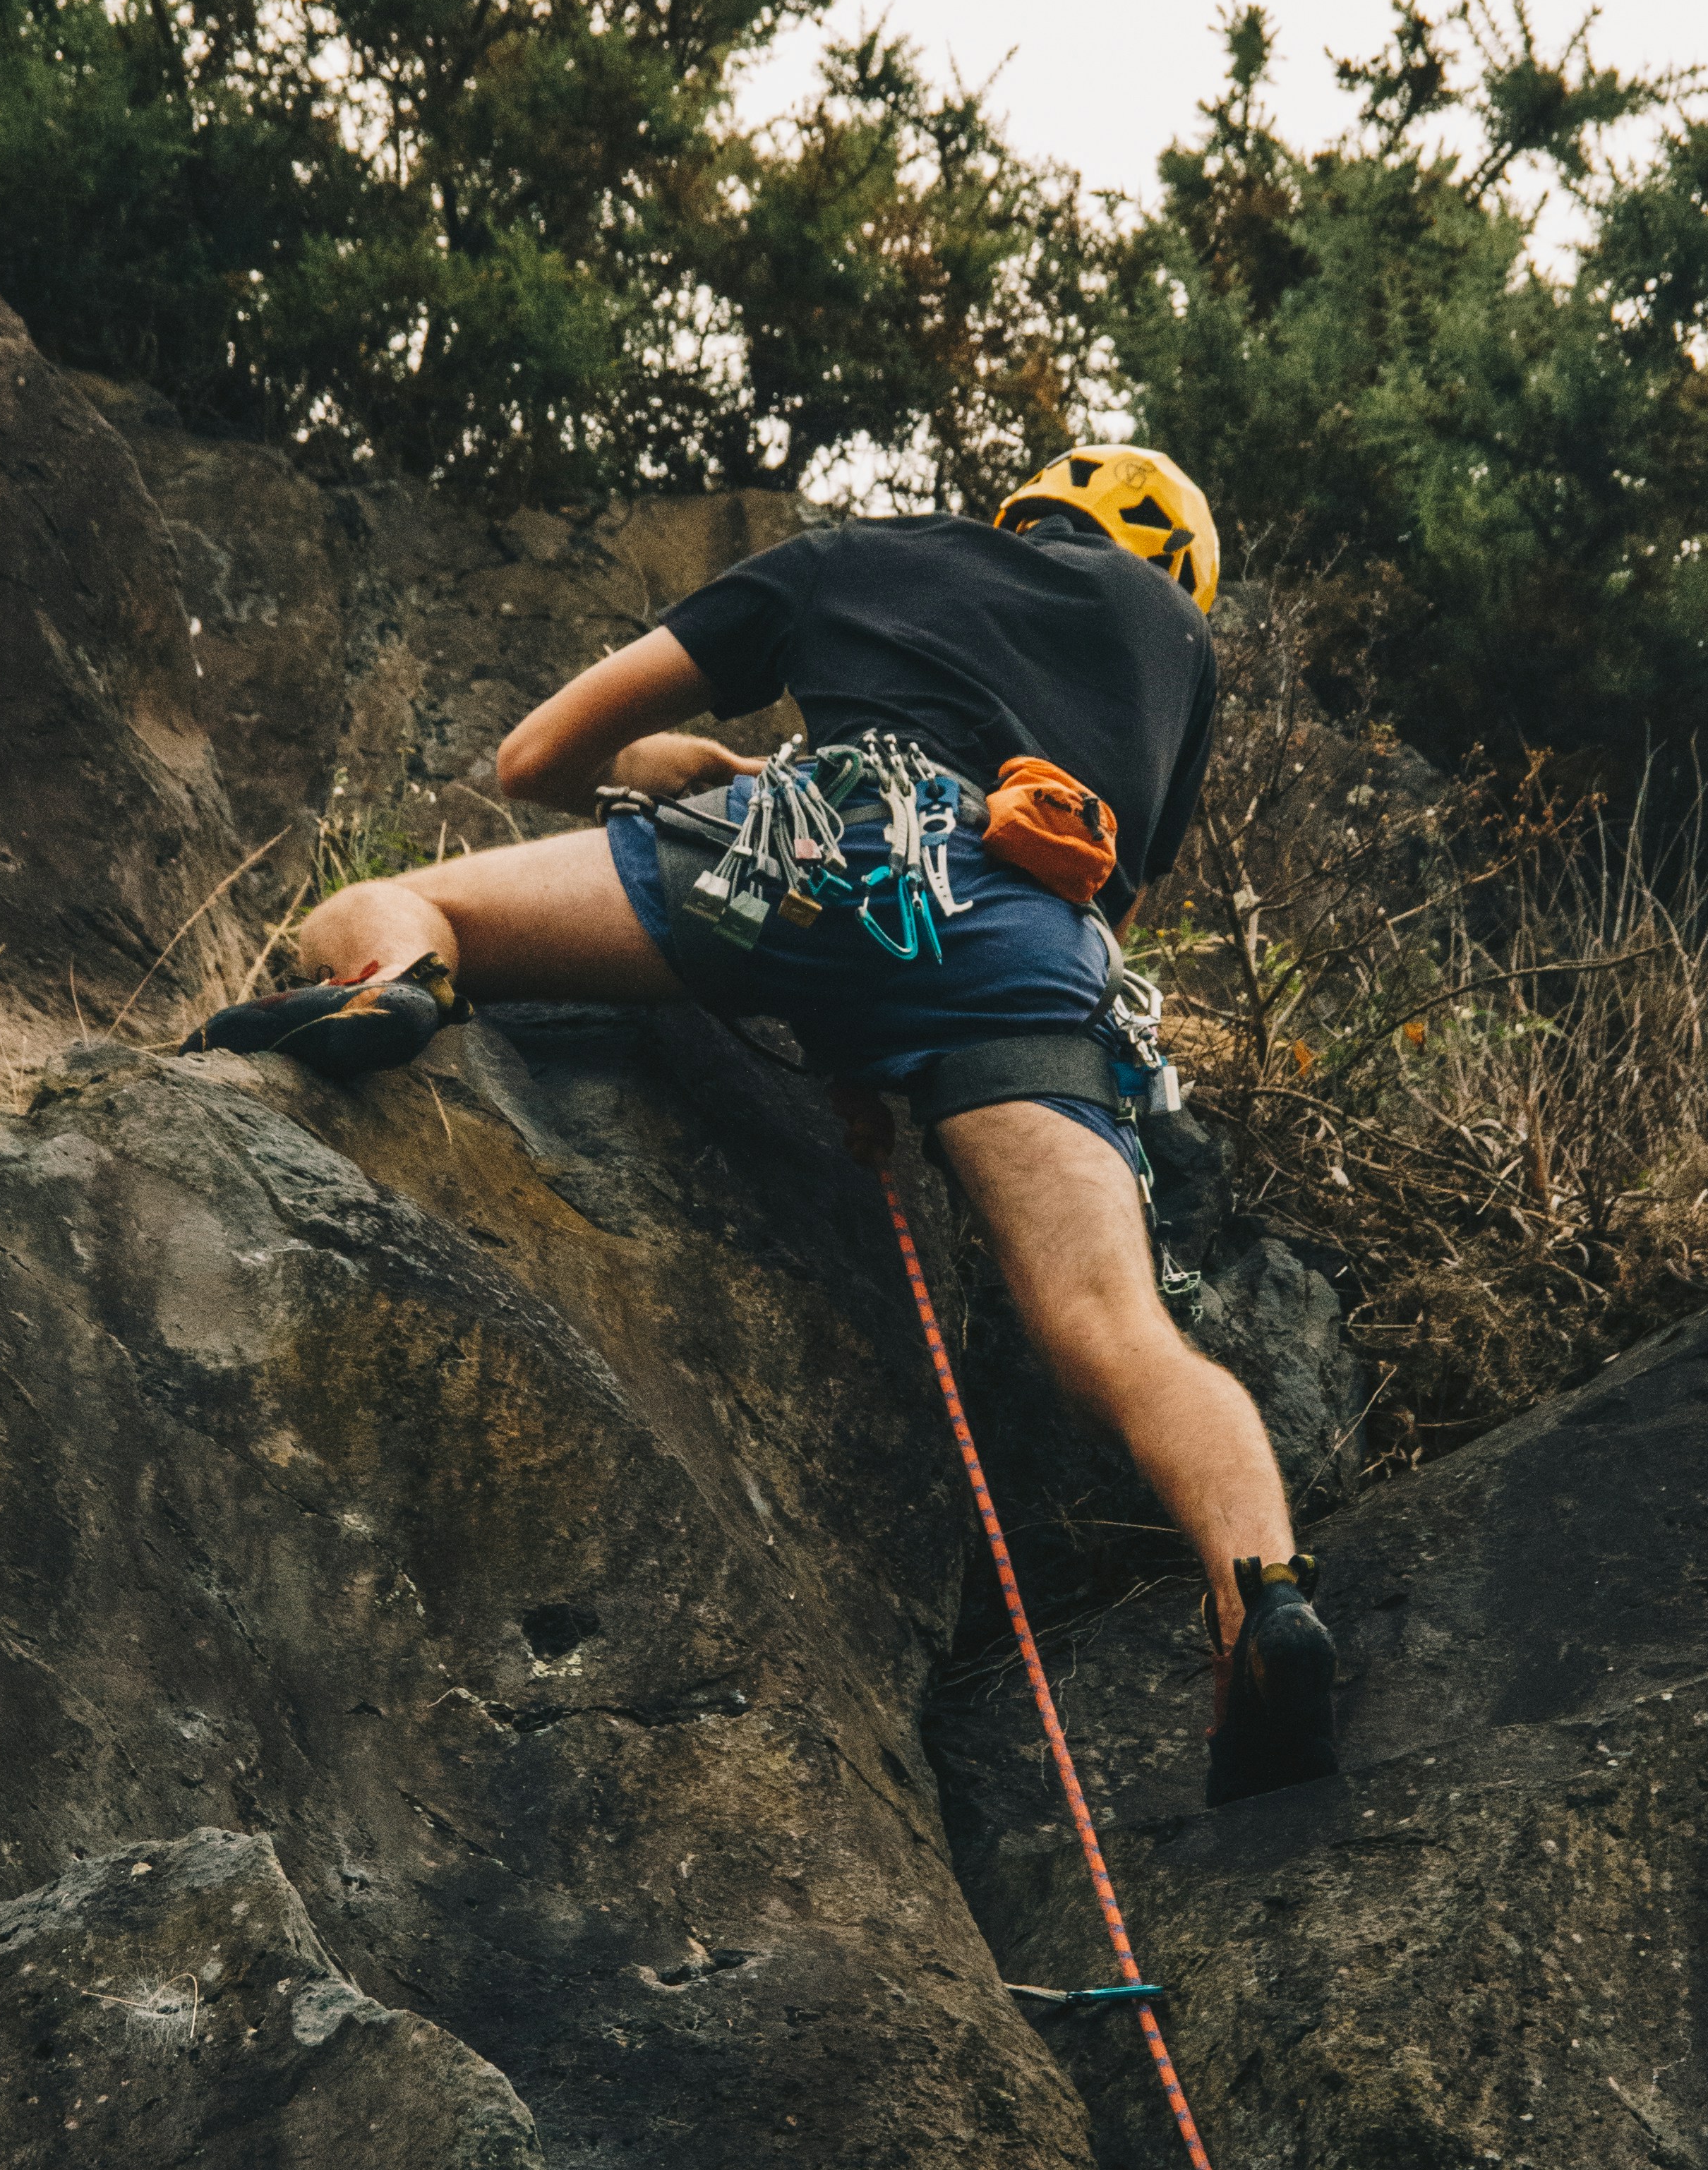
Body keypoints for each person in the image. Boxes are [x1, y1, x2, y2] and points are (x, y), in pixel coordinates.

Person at [193, 447, 1337, 1802]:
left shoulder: (858, 553)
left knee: (396, 901)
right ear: (1175, 575)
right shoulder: (1173, 647)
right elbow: (1112, 895)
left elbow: (532, 755)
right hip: (1037, 934)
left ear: (1020, 510)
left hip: (808, 852)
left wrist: (689, 779)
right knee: (1116, 1328)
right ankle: (1258, 1595)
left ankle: (397, 985)